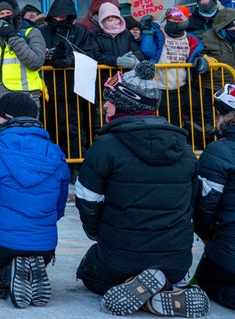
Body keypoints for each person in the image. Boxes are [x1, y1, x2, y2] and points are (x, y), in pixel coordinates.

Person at [75, 61, 209, 317]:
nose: (104, 105)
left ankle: (142, 295)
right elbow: (192, 202)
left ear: (125, 104)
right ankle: (165, 288)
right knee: (156, 268)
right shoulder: (185, 150)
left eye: (110, 100)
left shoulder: (105, 147)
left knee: (90, 273)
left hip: (120, 256)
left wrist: (97, 234)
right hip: (176, 260)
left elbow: (86, 198)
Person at [0, 92, 70, 309]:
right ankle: (31, 270)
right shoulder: (56, 153)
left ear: (10, 118)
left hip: (1, 242)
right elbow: (59, 207)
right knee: (28, 250)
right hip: (45, 246)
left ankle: (5, 273)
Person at [0, 0, 46, 138]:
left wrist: (12, 36)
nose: (5, 17)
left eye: (8, 13)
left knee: (25, 147)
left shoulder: (31, 33)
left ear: (16, 14)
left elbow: (35, 61)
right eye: (1, 14)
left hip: (24, 103)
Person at [37, 0, 93, 172]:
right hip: (47, 91)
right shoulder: (41, 33)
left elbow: (91, 55)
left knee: (72, 131)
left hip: (72, 91)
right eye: (57, 16)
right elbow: (34, 55)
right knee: (48, 130)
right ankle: (49, 166)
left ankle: (74, 166)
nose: (60, 19)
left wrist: (70, 60)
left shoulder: (81, 33)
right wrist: (50, 59)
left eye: (64, 16)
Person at [193, 84, 235, 310]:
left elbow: (204, 207)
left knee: (205, 279)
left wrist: (208, 238)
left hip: (228, 253)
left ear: (226, 117)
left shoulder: (218, 151)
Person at [89, 2, 145, 68]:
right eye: (106, 17)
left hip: (126, 75)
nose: (110, 19)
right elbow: (95, 56)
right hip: (104, 76)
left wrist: (132, 60)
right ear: (101, 18)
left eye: (113, 16)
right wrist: (117, 60)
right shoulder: (94, 35)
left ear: (118, 17)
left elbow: (138, 52)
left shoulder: (127, 34)